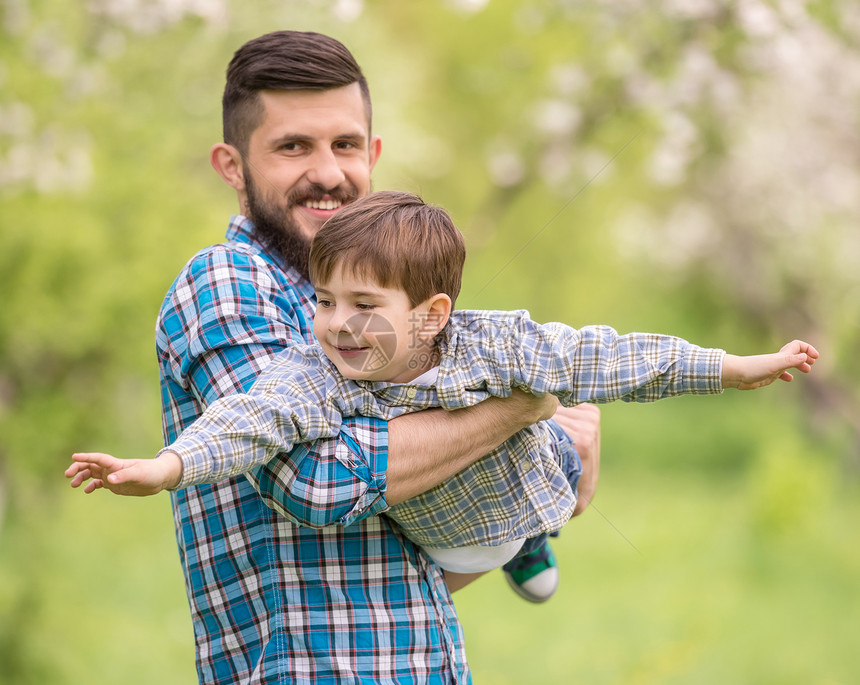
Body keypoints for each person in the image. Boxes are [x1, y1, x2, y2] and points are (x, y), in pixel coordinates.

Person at [72, 30, 601, 685]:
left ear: (373, 153)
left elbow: (394, 571)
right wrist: (522, 405)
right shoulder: (228, 283)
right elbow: (319, 481)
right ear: (232, 165)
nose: (327, 172)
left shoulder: (377, 304)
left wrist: (540, 483)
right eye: (293, 146)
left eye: (345, 144)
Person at [67, 190, 818, 580]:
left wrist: (737, 366)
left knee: (559, 407)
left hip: (530, 487)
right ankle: (518, 543)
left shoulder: (490, 344)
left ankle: (537, 535)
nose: (337, 325)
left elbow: (615, 355)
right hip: (447, 544)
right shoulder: (315, 375)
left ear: (431, 316)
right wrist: (165, 468)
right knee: (487, 459)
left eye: (365, 307)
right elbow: (248, 420)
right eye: (325, 301)